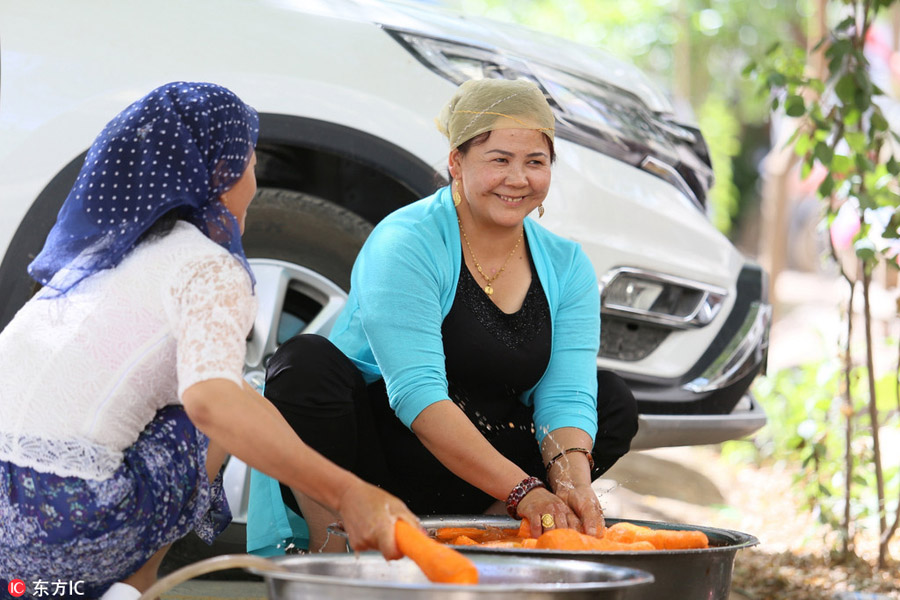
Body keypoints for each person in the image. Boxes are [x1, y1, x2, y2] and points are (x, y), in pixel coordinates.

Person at [0, 82, 417, 600]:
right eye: (251, 161)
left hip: (6, 528)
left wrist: (326, 495)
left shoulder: (102, 256)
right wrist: (350, 494)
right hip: (68, 522)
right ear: (222, 172)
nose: (254, 178)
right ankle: (130, 587)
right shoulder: (207, 268)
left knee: (217, 391)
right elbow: (214, 403)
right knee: (211, 411)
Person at [247, 77, 639, 555]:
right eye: (499, 160)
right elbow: (417, 394)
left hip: (490, 461)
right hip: (384, 450)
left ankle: (486, 537)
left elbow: (566, 394)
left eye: (535, 162)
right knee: (304, 364)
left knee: (611, 398)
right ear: (456, 162)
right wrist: (523, 490)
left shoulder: (567, 263)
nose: (519, 179)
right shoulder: (405, 242)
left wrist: (569, 482)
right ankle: (337, 545)